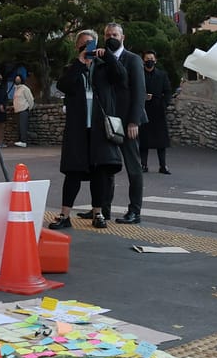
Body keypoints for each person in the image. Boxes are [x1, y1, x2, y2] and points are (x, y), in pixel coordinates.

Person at [47, 30, 127, 230]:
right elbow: (64, 86)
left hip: (100, 128)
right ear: (77, 48)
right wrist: (79, 63)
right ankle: (65, 215)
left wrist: (107, 55)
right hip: (78, 129)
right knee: (73, 171)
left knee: (100, 171)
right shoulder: (72, 68)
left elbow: (121, 76)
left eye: (91, 44)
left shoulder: (104, 67)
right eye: (83, 45)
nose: (87, 48)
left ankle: (98, 212)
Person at [100, 23, 146, 224]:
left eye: (115, 34)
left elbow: (139, 91)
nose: (112, 37)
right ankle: (103, 209)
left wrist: (134, 121)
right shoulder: (101, 60)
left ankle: (135, 210)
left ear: (123, 37)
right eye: (108, 35)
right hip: (108, 120)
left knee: (133, 167)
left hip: (128, 121)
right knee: (106, 165)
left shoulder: (133, 59)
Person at [139, 52, 173, 174]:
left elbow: (168, 91)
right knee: (143, 140)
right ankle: (143, 165)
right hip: (143, 110)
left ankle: (163, 165)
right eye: (147, 59)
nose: (149, 61)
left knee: (161, 141)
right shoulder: (139, 74)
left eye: (152, 59)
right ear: (143, 61)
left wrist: (164, 104)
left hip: (158, 110)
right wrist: (142, 98)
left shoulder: (162, 75)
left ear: (156, 60)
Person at [11, 69, 35, 146]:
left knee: (23, 127)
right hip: (17, 110)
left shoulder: (25, 88)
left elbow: (30, 99)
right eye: (16, 78)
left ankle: (24, 141)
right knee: (19, 127)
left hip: (23, 110)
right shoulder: (16, 89)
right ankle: (20, 140)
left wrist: (28, 108)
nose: (17, 79)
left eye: (18, 78)